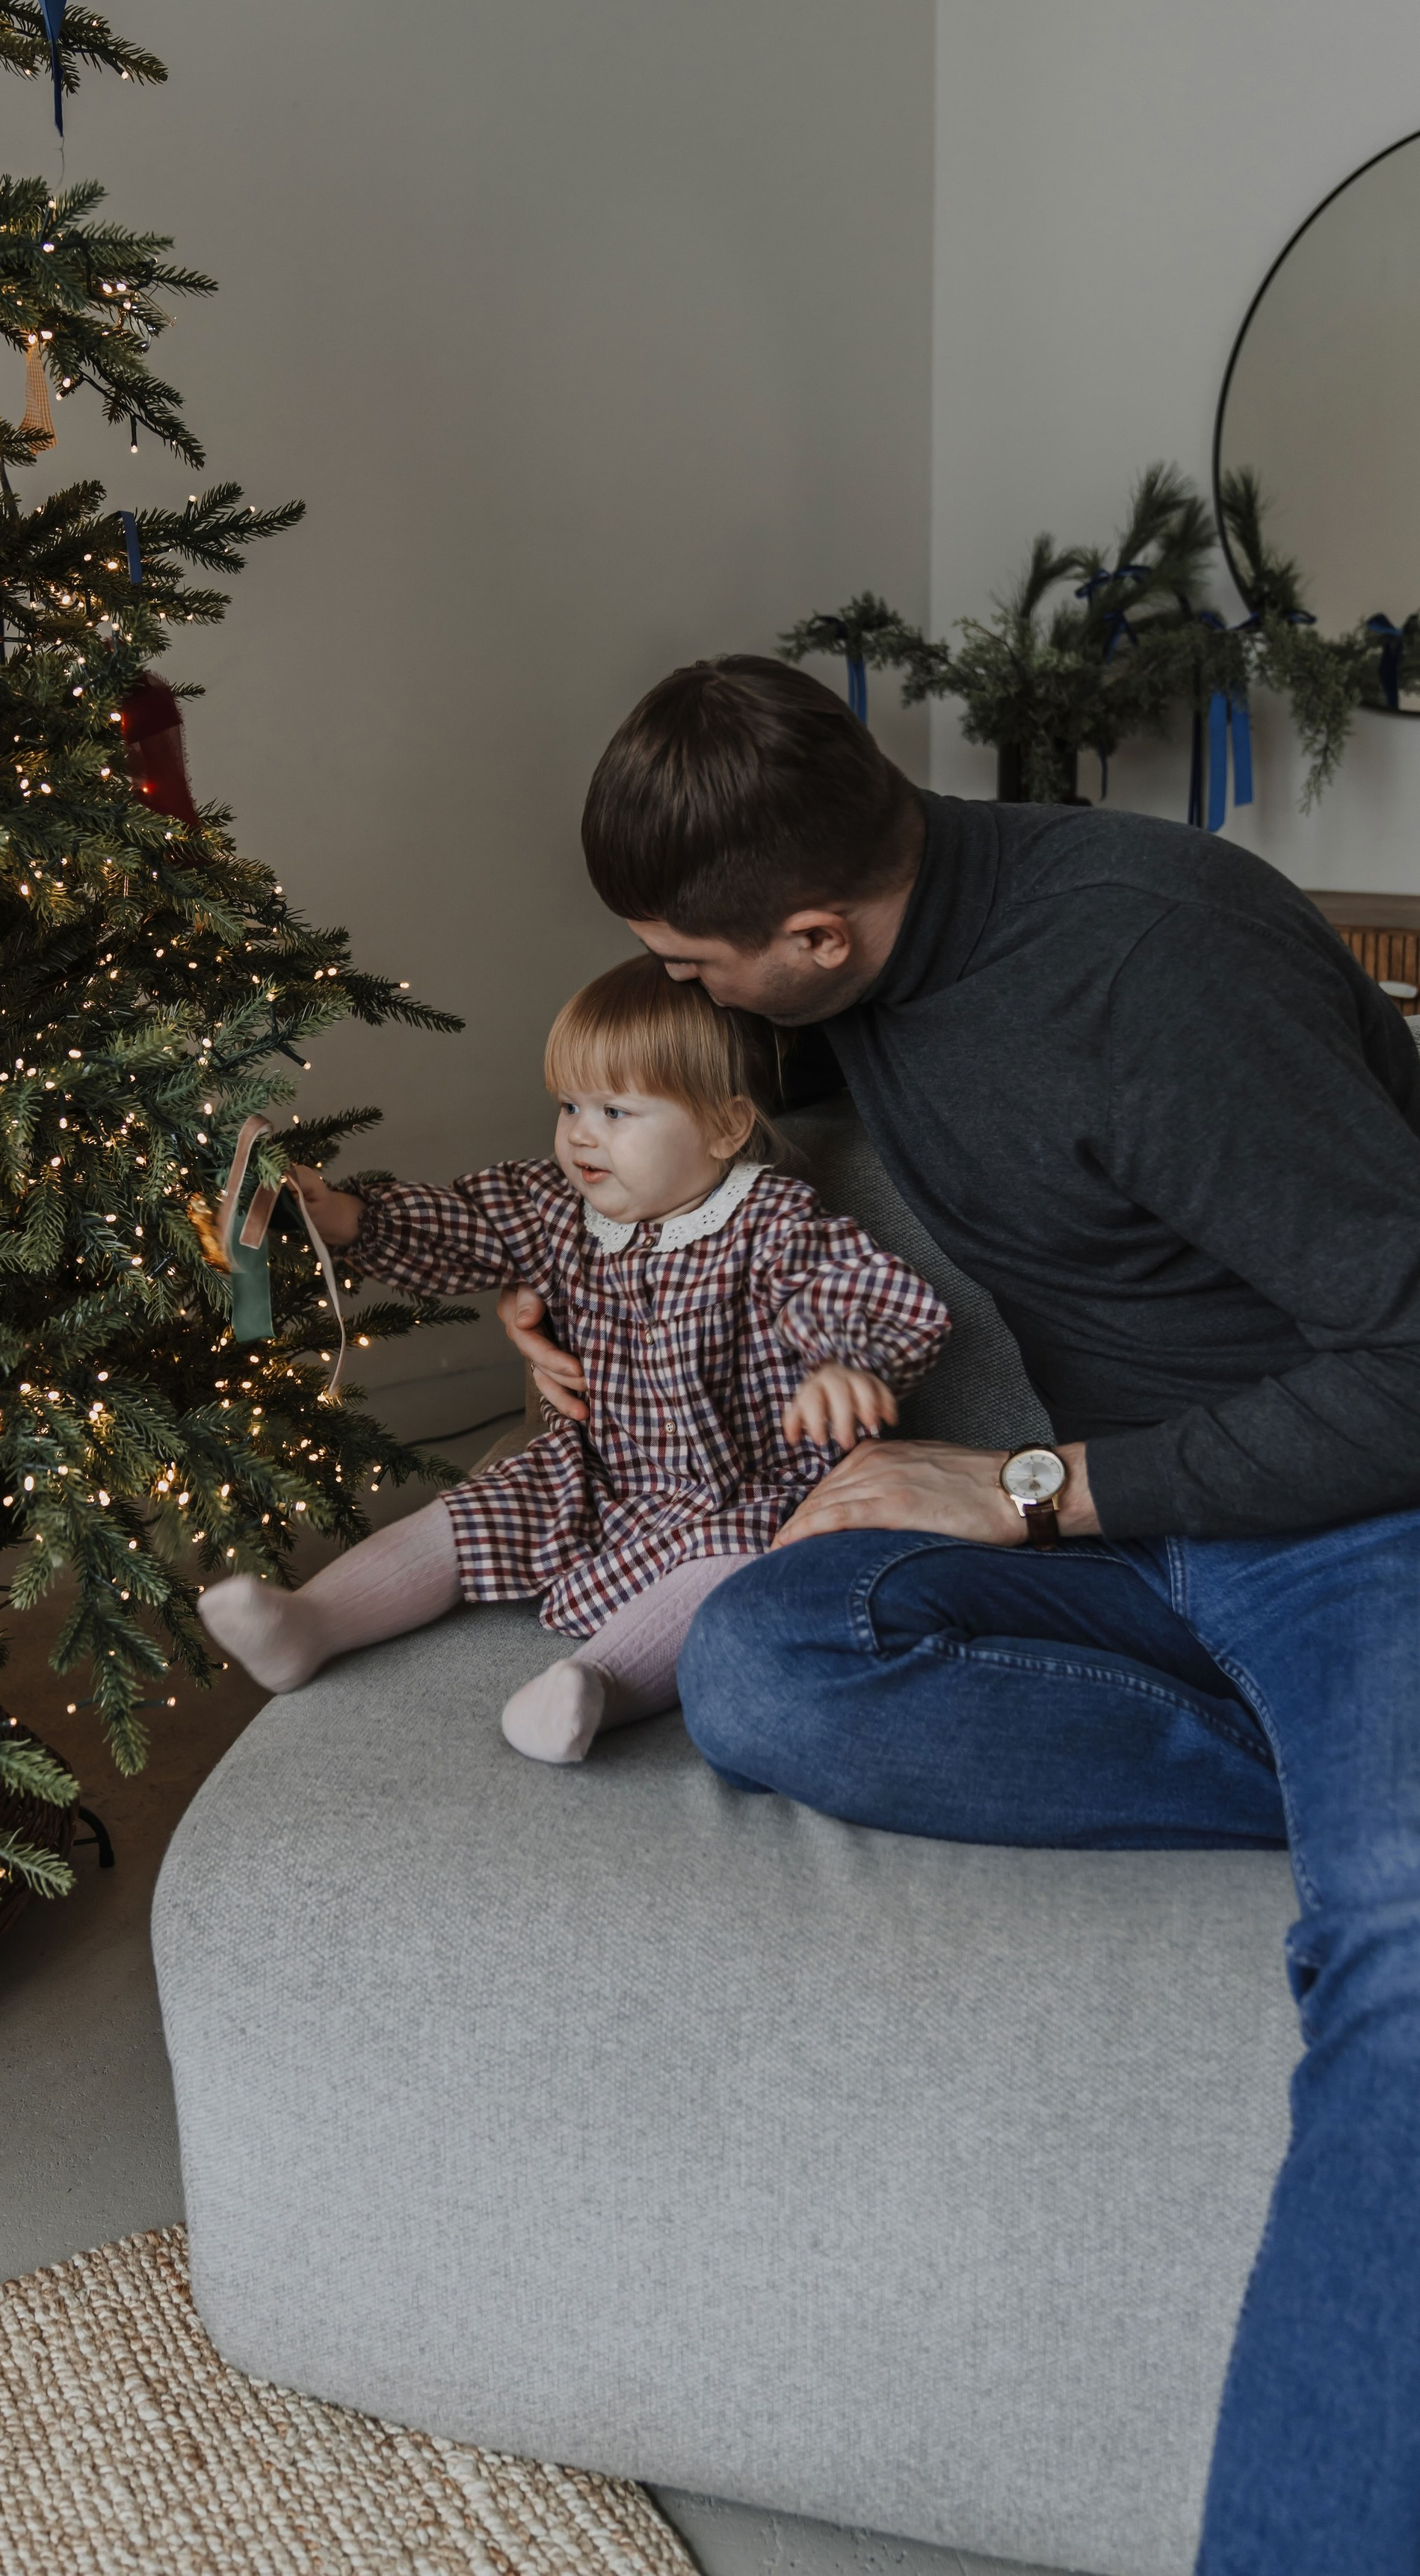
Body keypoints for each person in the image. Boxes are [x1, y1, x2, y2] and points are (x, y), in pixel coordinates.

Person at [496, 652, 1420, 2576]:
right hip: (1132, 1534)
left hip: (1351, 1509)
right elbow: (693, 1143)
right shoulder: (869, 967)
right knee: (764, 1657)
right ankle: (1337, 1760)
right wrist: (571, 1271)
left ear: (814, 932)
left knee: (1395, 1955)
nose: (685, 990)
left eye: (695, 957)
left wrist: (1024, 1485)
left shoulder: (1155, 976)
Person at [200, 955, 948, 1763]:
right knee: (478, 1509)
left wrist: (843, 1362)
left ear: (726, 1128)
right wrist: (345, 1216)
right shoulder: (557, 1208)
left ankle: (596, 1684)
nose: (580, 1134)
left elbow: (844, 1288)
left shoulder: (769, 1219)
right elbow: (464, 1226)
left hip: (747, 1485)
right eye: (569, 1105)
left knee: (736, 1568)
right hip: (602, 1465)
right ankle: (313, 1621)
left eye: (617, 1111)